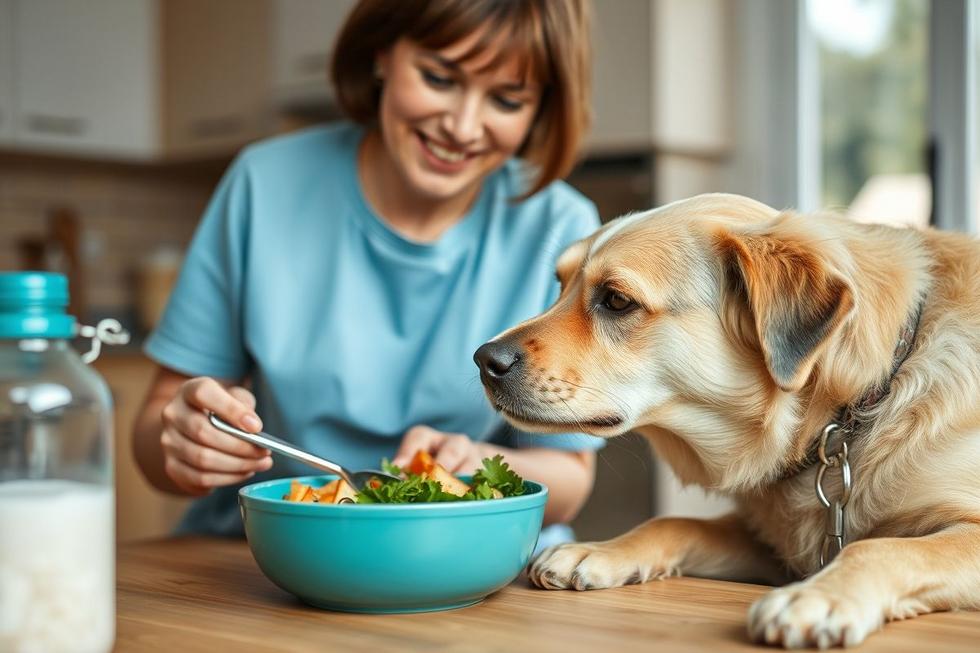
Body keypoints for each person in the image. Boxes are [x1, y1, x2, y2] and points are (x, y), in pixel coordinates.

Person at [133, 0, 602, 539]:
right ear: (382, 53)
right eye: (438, 78)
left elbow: (569, 477)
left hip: (452, 554)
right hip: (259, 552)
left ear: (541, 107)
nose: (463, 126)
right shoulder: (264, 185)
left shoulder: (560, 227)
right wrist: (186, 441)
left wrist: (474, 462)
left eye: (506, 99)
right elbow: (153, 438)